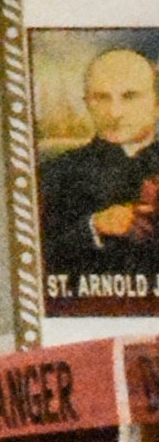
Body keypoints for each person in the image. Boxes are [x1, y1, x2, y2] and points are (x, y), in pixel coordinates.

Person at [40, 44, 159, 298]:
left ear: (157, 102)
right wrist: (94, 227)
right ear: (87, 104)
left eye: (130, 96)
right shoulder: (54, 174)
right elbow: (31, 261)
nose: (114, 113)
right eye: (101, 98)